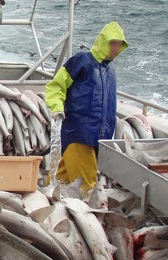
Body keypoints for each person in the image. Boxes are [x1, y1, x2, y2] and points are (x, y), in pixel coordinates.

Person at [45, 21, 128, 192]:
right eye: (112, 43)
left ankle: (49, 202)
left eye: (119, 45)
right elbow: (56, 86)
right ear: (103, 41)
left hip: (100, 137)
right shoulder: (81, 61)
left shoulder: (110, 70)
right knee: (87, 186)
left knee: (63, 178)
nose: (115, 48)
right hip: (79, 133)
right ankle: (87, 212)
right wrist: (56, 107)